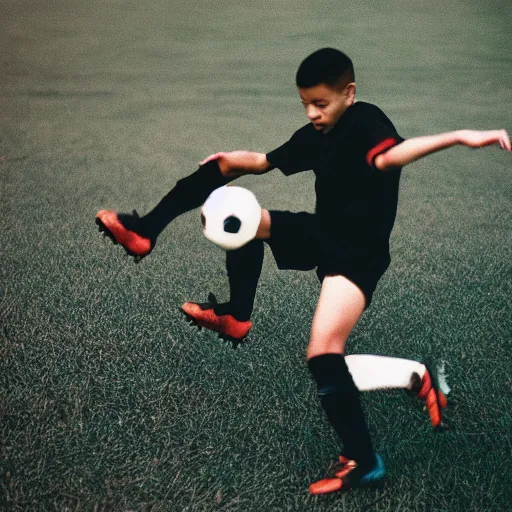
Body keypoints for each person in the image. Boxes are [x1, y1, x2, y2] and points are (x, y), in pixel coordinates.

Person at [95, 48, 510, 494]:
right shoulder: (319, 132)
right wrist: (223, 163)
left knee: (323, 354)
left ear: (348, 93)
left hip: (357, 256)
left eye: (321, 103)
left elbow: (393, 157)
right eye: (305, 104)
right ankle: (162, 247)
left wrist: (463, 135)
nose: (312, 113)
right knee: (244, 215)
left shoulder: (367, 125)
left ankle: (364, 459)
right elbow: (259, 162)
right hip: (323, 231)